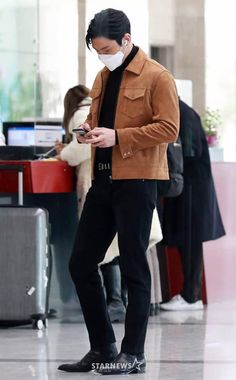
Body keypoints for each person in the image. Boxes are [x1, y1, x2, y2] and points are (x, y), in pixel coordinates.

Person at [58, 8, 179, 375]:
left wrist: (119, 136)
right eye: (97, 50)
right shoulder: (102, 77)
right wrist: (90, 130)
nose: (102, 55)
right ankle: (103, 347)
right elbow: (99, 120)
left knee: (133, 266)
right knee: (81, 263)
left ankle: (134, 352)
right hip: (103, 181)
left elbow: (169, 128)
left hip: (138, 182)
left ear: (126, 40)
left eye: (107, 48)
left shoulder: (157, 77)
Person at [160, 99, 225, 311]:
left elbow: (188, 151)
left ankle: (190, 296)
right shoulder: (182, 112)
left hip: (191, 186)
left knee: (190, 240)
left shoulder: (183, 115)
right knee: (187, 240)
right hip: (189, 185)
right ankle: (190, 294)